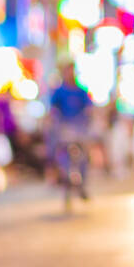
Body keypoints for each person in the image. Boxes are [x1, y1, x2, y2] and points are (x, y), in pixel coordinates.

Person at [47, 61, 92, 199]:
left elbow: (89, 110)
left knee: (84, 156)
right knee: (56, 150)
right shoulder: (59, 91)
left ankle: (82, 184)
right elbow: (53, 110)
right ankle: (57, 173)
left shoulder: (81, 91)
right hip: (64, 129)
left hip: (79, 129)